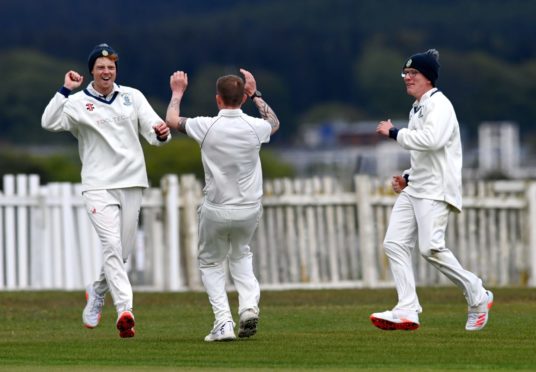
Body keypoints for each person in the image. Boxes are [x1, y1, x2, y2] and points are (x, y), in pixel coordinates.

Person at [41, 43, 171, 338]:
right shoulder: (76, 103)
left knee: (121, 253)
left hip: (132, 181)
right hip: (98, 184)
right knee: (111, 247)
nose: (106, 71)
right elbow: (47, 122)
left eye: (111, 67)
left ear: (116, 71)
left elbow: (154, 132)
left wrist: (161, 134)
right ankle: (126, 310)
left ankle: (97, 291)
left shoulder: (132, 96)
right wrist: (64, 90)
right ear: (91, 71)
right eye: (100, 67)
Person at [372, 49, 493, 331]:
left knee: (430, 248)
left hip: (436, 191)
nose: (407, 78)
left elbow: (433, 140)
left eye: (413, 73)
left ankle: (477, 295)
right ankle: (407, 309)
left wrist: (394, 132)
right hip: (418, 188)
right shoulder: (418, 107)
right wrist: (407, 178)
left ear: (428, 77)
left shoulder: (440, 106)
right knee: (393, 243)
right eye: (405, 73)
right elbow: (425, 158)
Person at [165, 68, 280, 341]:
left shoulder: (206, 126)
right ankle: (249, 307)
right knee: (241, 254)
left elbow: (171, 120)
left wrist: (177, 92)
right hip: (249, 208)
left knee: (210, 263)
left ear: (218, 99)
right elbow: (274, 123)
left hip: (216, 208)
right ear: (242, 98)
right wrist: (256, 95)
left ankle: (223, 322)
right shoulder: (256, 127)